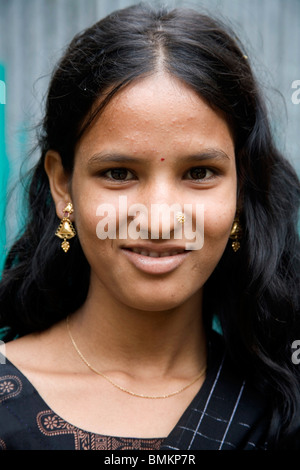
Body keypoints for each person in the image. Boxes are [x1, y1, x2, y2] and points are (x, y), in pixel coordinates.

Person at [0, 3, 299, 451]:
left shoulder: (280, 406)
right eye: (119, 173)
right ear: (63, 185)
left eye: (199, 172)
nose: (159, 221)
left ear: (243, 185)